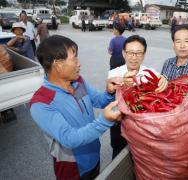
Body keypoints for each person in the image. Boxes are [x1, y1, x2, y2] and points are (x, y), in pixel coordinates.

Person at [30, 35, 122, 180]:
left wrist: (110, 92)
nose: (79, 64)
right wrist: (104, 120)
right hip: (73, 170)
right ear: (58, 65)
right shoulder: (42, 103)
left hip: (94, 156)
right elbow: (69, 138)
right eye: (75, 59)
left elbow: (99, 100)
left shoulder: (77, 82)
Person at [108, 35, 168, 159]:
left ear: (144, 54)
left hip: (143, 127)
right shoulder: (114, 73)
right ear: (124, 53)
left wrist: (165, 80)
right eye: (130, 53)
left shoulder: (151, 74)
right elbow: (109, 89)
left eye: (139, 53)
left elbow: (161, 97)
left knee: (141, 158)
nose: (134, 57)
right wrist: (121, 83)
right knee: (118, 156)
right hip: (120, 124)